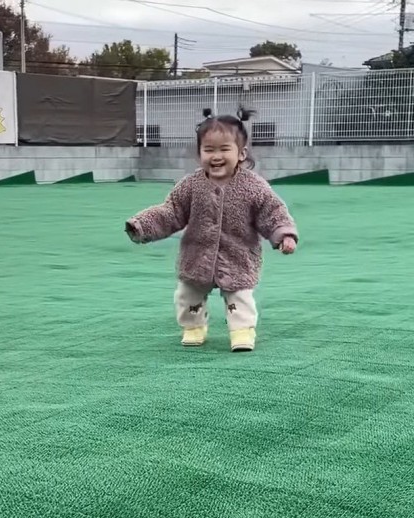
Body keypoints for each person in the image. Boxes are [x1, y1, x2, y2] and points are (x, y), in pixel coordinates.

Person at [124, 110, 299, 352]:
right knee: (188, 295)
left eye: (224, 149)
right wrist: (143, 225)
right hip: (197, 257)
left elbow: (272, 211)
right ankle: (193, 326)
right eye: (209, 150)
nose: (216, 156)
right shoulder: (191, 186)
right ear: (199, 155)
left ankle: (242, 331)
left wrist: (284, 234)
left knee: (240, 298)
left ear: (241, 153)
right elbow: (171, 212)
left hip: (238, 257)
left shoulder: (254, 187)